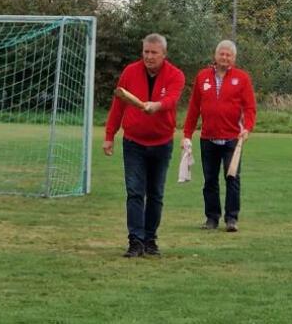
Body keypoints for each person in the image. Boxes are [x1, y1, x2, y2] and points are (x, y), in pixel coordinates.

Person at [104, 33, 185, 258]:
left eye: (154, 53)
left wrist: (156, 105)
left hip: (162, 143)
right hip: (134, 143)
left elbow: (172, 99)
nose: (149, 56)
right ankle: (135, 241)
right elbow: (118, 104)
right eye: (146, 52)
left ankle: (150, 239)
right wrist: (110, 135)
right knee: (134, 192)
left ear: (164, 54)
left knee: (156, 194)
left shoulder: (176, 75)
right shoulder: (130, 72)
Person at [182, 40, 256, 233]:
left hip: (232, 138)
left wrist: (247, 127)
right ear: (215, 56)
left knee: (232, 178)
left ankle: (231, 219)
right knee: (210, 180)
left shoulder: (242, 78)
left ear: (234, 58)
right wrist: (187, 134)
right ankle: (212, 218)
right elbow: (193, 108)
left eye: (228, 55)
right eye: (221, 54)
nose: (224, 58)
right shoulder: (202, 77)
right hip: (208, 138)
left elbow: (250, 108)